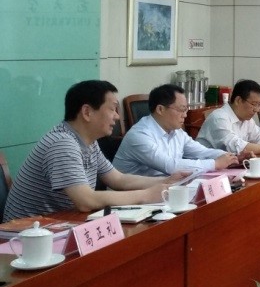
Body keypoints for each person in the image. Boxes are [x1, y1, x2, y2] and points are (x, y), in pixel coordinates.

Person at [3, 80, 184, 220]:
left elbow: (118, 179)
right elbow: (86, 201)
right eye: (112, 109)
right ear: (87, 112)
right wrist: (146, 195)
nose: (117, 116)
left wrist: (166, 180)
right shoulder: (62, 143)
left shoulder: (88, 142)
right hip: (24, 236)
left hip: (61, 223)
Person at [113, 84, 238, 177]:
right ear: (160, 109)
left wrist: (231, 157)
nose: (185, 115)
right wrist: (214, 164)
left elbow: (201, 152)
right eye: (181, 110)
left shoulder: (176, 131)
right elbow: (170, 166)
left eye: (186, 109)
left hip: (162, 187)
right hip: (129, 196)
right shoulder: (140, 135)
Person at [196, 79, 260, 155]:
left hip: (228, 165)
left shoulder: (247, 119)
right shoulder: (219, 118)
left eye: (259, 104)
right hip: (205, 167)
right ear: (238, 100)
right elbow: (236, 146)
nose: (256, 110)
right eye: (254, 104)